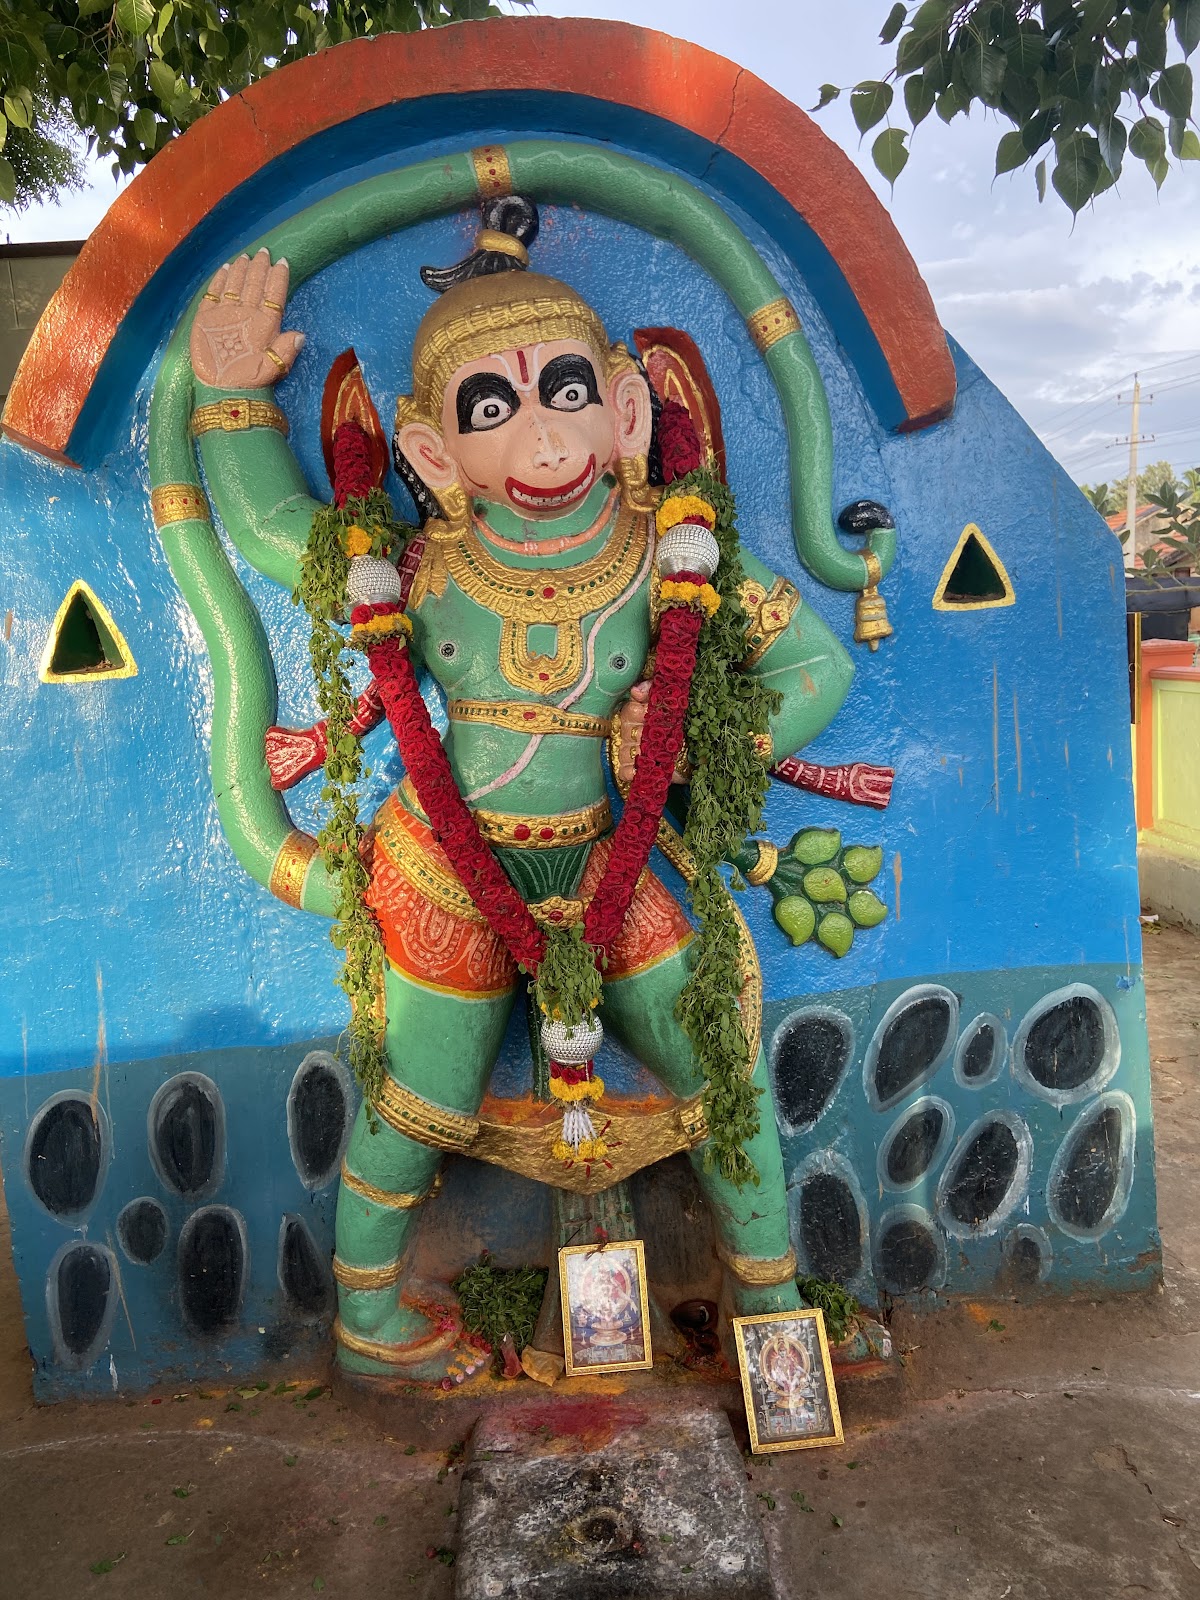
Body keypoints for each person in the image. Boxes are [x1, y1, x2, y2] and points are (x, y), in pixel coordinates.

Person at [190, 197, 855, 1383]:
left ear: (625, 407)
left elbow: (816, 666)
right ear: (435, 452)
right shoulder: (423, 564)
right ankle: (367, 1319)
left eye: (564, 391)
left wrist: (708, 739)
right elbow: (268, 524)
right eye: (492, 409)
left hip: (615, 850)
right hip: (451, 862)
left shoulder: (670, 544)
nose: (543, 442)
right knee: (423, 1097)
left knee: (721, 1060)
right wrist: (234, 400)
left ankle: (769, 1300)